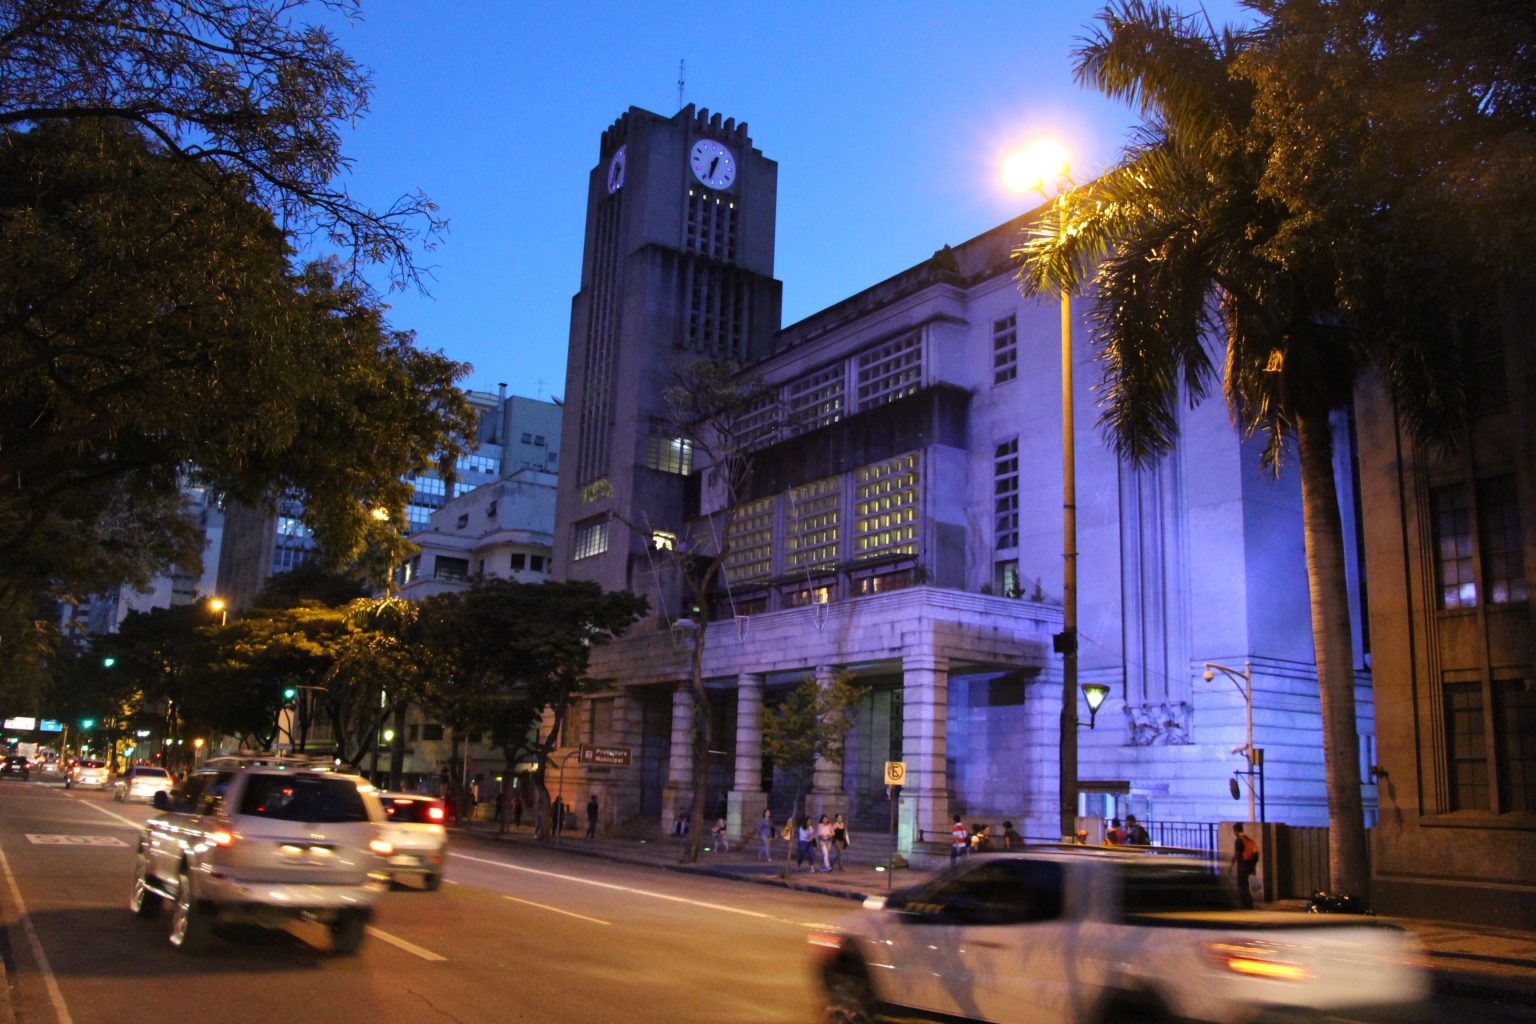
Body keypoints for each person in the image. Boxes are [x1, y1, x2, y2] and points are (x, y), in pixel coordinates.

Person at [1231, 823, 1261, 908]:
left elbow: (1236, 854)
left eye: (1234, 831)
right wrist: (1253, 868)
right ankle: (1249, 904)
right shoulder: (1248, 839)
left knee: (1242, 886)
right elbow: (1255, 854)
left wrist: (1231, 866)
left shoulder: (1239, 840)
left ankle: (1245, 904)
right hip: (1250, 866)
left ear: (1236, 830)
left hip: (1242, 866)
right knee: (1246, 885)